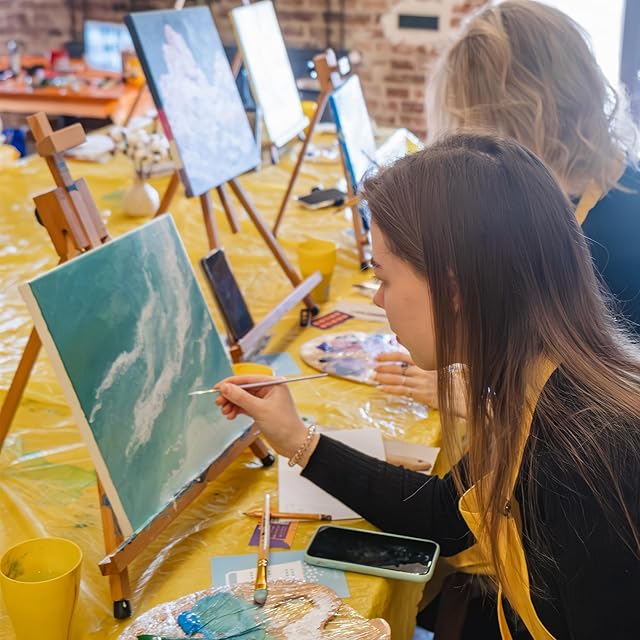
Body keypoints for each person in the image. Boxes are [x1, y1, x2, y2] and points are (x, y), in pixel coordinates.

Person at [216, 133, 640, 638]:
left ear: (452, 288)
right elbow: (444, 515)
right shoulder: (538, 384)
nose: (377, 299)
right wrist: (297, 440)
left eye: (384, 278)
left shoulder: (589, 461)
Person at [375, 0, 640, 407]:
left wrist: (481, 396)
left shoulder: (614, 239)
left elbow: (589, 400)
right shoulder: (599, 183)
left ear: (513, 123)